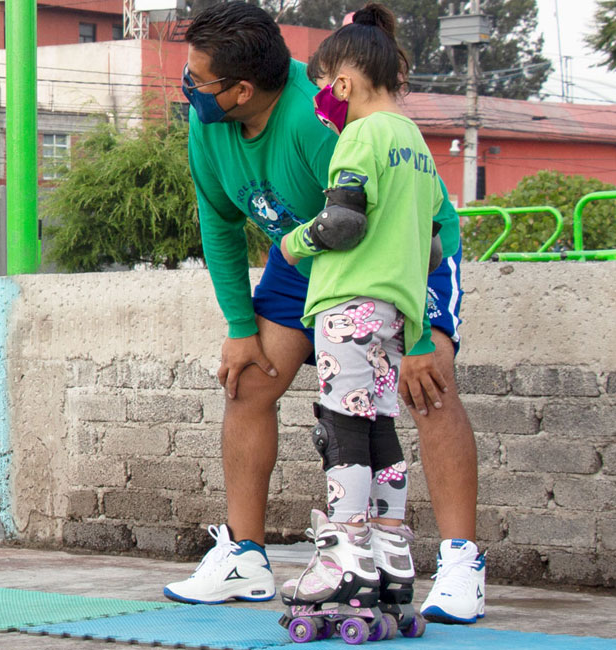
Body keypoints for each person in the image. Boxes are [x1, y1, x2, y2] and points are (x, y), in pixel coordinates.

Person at [163, 1, 485, 626]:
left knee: (428, 386)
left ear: (242, 90)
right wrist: (239, 327)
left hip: (403, 251)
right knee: (248, 381)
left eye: (197, 79)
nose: (188, 87)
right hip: (312, 259)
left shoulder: (322, 118)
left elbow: (402, 216)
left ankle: (460, 562)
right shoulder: (210, 126)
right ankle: (245, 559)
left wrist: (418, 336)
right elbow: (220, 225)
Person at [276, 3, 439, 631]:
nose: (322, 97)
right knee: (379, 429)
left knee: (340, 426)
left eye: (323, 85)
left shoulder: (361, 136)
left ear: (342, 83)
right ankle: (390, 553)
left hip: (348, 304)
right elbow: (430, 246)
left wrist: (295, 243)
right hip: (396, 311)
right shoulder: (417, 144)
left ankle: (345, 555)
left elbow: (342, 222)